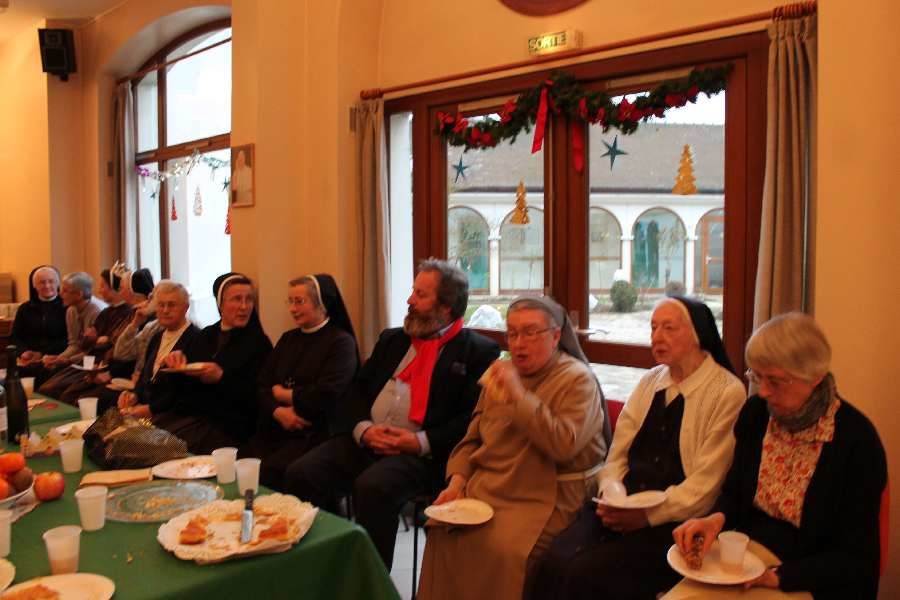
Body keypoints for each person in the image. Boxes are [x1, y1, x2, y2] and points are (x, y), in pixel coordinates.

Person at [284, 258, 499, 568]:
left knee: (373, 488)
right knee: (301, 473)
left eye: (421, 295)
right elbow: (355, 392)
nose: (409, 300)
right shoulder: (392, 339)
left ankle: (371, 581)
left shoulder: (478, 352)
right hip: (366, 440)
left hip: (422, 456)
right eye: (413, 291)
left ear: (447, 307)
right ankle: (320, 564)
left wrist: (419, 442)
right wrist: (363, 429)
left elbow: (470, 422)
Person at [530, 296, 746, 600]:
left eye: (669, 328)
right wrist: (612, 496)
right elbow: (616, 454)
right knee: (553, 559)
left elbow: (706, 486)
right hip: (621, 508)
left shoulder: (727, 392)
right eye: (654, 327)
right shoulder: (649, 382)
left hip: (675, 523)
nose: (656, 336)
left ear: (698, 334)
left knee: (586, 574)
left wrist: (645, 517)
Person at [668, 313, 887, 600]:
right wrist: (715, 519)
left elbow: (855, 559)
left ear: (816, 378)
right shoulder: (757, 415)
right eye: (757, 377)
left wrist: (778, 577)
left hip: (812, 576)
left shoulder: (855, 441)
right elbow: (735, 491)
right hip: (747, 558)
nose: (763, 391)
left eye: (776, 380)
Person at [417, 296, 610, 600]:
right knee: (443, 533)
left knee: (505, 552)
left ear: (556, 336)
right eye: (512, 333)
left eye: (531, 333)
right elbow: (472, 439)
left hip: (547, 495)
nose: (519, 343)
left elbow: (563, 445)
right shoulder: (501, 373)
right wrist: (457, 483)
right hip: (492, 487)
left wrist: (519, 396)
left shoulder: (576, 379)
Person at [243, 274, 359, 490]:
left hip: (317, 430)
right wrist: (278, 411)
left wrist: (285, 395)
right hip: (278, 427)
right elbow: (262, 384)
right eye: (291, 302)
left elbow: (328, 392)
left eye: (300, 302)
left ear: (321, 304)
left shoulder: (341, 343)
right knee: (243, 463)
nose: (293, 309)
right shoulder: (288, 339)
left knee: (274, 471)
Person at [156, 273, 273, 454]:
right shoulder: (205, 336)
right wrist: (174, 364)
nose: (244, 306)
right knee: (139, 437)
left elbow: (258, 396)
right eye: (236, 299)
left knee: (159, 446)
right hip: (192, 418)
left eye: (249, 299)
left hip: (229, 428)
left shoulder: (259, 344)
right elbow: (180, 388)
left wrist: (222, 377)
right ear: (220, 304)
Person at [117, 280, 202, 422]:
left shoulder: (197, 339)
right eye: (161, 305)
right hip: (146, 409)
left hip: (173, 416)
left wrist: (150, 409)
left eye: (171, 305)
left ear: (185, 308)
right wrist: (134, 395)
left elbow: (188, 391)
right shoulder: (156, 337)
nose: (165, 310)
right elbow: (145, 377)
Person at [38, 272, 106, 397]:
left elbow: (93, 350)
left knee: (51, 388)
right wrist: (59, 358)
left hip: (94, 363)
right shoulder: (71, 310)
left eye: (65, 291)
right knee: (44, 374)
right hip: (79, 360)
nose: (60, 294)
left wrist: (67, 360)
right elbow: (74, 344)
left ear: (79, 294)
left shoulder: (98, 311)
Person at [10, 266, 67, 384]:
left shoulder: (67, 307)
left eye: (51, 281)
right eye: (42, 282)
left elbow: (69, 339)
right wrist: (23, 352)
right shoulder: (25, 308)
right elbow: (15, 336)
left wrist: (42, 354)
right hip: (28, 360)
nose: (47, 286)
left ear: (57, 284)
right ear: (35, 286)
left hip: (55, 358)